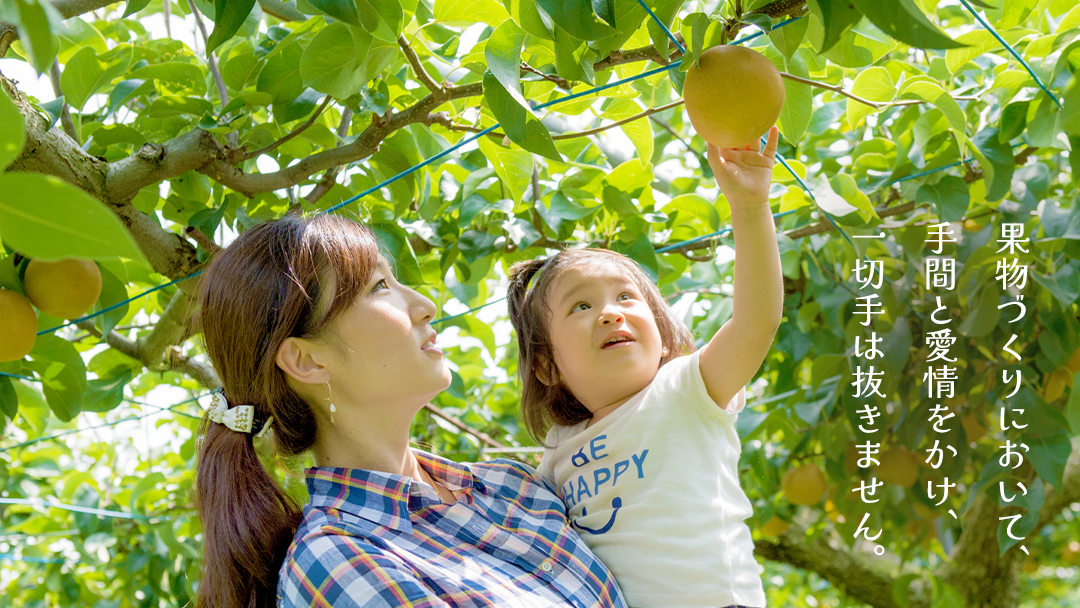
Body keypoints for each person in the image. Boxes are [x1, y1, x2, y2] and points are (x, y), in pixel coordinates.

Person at [192, 213, 628, 608]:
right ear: (308, 361)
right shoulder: (338, 561)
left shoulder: (513, 487)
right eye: (379, 287)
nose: (425, 305)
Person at [506, 127, 783, 608]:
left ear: (659, 332)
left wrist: (751, 207)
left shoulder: (686, 390)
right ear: (548, 366)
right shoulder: (559, 450)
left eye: (626, 297)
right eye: (581, 307)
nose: (611, 312)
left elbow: (757, 320)